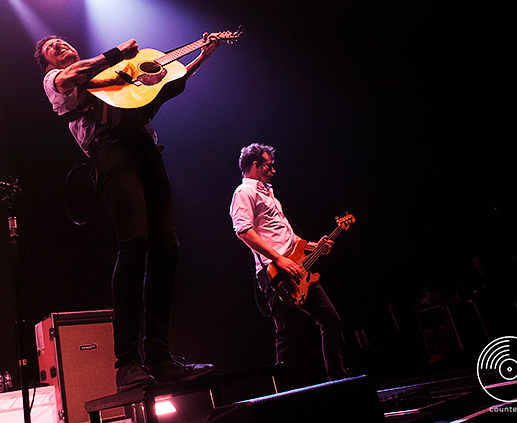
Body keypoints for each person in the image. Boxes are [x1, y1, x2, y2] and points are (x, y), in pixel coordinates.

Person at [35, 33, 219, 391]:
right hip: (110, 151)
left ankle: (160, 358)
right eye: (52, 49)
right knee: (134, 241)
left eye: (62, 41)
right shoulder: (60, 79)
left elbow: (162, 84)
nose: (61, 45)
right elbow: (72, 76)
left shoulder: (116, 74)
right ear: (47, 64)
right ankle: (127, 365)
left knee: (168, 248)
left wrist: (200, 56)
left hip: (147, 149)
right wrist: (116, 52)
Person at [229, 143, 348, 389]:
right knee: (288, 334)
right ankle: (286, 397)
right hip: (275, 272)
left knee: (332, 320)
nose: (273, 170)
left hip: (298, 268)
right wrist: (279, 259)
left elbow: (289, 239)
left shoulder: (270, 195)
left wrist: (312, 246)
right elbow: (243, 231)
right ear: (254, 166)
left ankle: (339, 380)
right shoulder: (244, 192)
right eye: (269, 165)